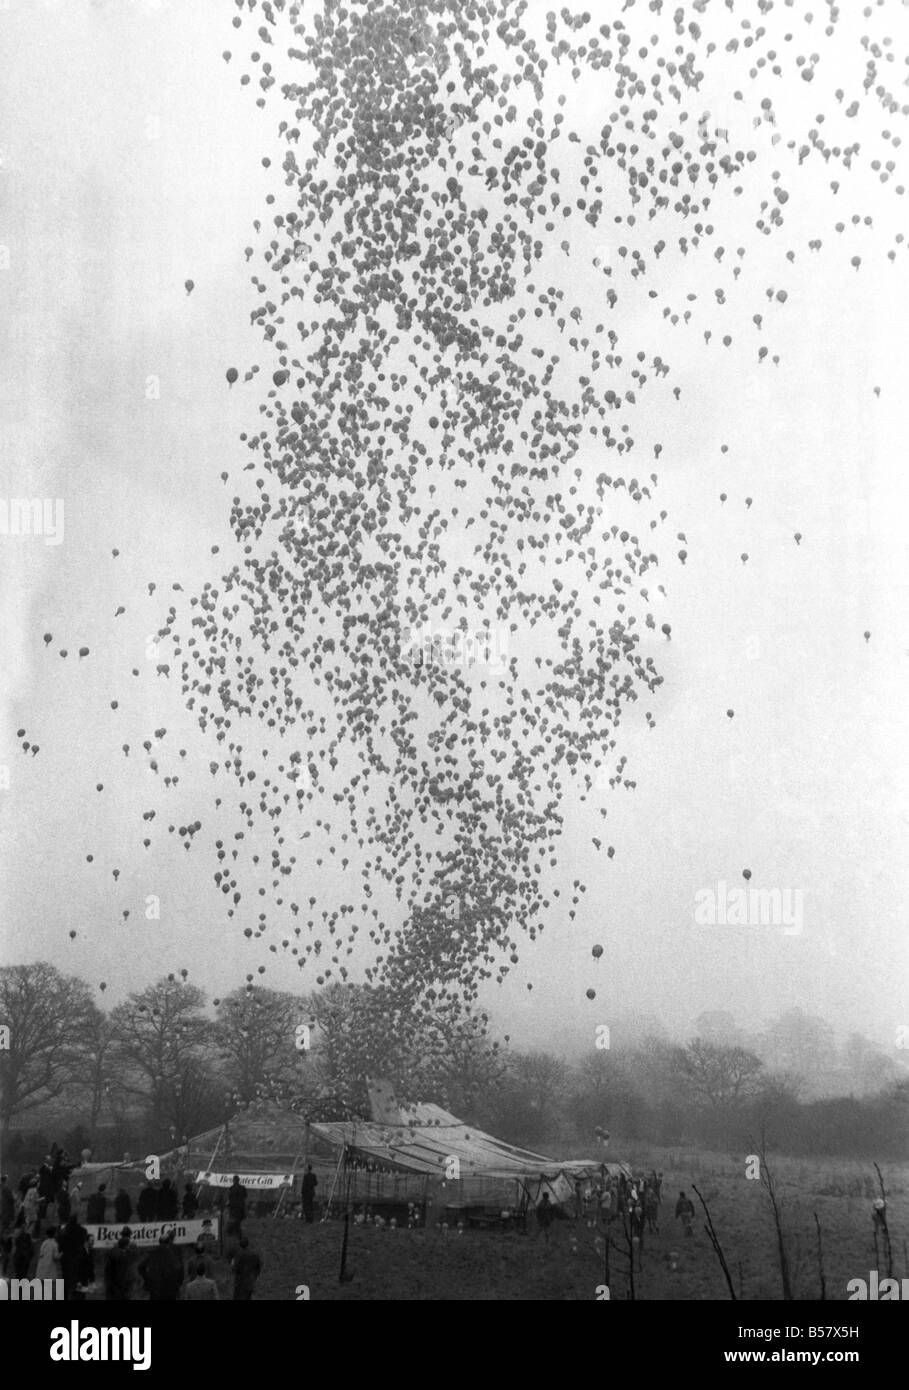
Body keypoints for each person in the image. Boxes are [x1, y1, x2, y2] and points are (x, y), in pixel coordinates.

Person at [138, 1235, 183, 1301]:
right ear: (168, 1242)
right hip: (170, 1290)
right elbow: (179, 1270)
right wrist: (177, 1285)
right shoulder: (172, 1254)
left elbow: (140, 1267)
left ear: (159, 1242)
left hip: (155, 1289)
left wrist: (147, 1279)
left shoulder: (152, 1253)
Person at [58, 1213, 91, 1300]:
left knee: (66, 1278)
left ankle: (65, 1295)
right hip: (78, 1257)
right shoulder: (82, 1230)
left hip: (66, 1258)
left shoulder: (63, 1231)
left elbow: (60, 1245)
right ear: (76, 1220)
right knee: (79, 1278)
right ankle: (78, 1296)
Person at [104, 1230, 135, 1301]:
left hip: (116, 1283)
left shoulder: (113, 1252)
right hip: (119, 1284)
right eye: (129, 1245)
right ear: (126, 1246)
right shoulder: (121, 1255)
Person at [231, 1236, 262, 1300]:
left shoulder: (238, 1255)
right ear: (248, 1244)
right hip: (250, 1282)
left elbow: (235, 1269)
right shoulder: (254, 1255)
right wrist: (254, 1276)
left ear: (240, 1245)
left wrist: (232, 1265)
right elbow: (258, 1268)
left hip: (240, 1283)